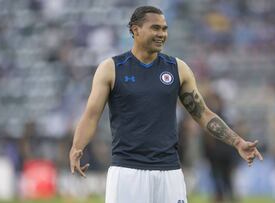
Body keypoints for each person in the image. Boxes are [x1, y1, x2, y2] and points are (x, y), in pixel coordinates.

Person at [69, 6, 263, 203]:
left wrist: (237, 142)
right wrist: (77, 147)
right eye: (155, 28)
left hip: (170, 173)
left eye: (164, 28)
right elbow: (92, 114)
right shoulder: (111, 69)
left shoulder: (178, 68)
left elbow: (202, 113)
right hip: (127, 172)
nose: (162, 34)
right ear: (136, 30)